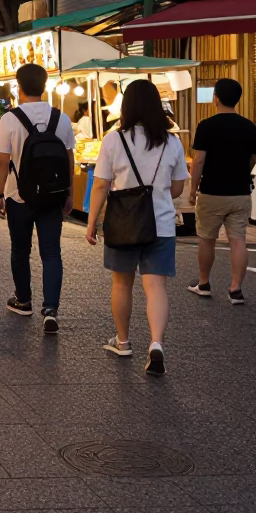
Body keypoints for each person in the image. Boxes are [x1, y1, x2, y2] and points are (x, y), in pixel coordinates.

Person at [85, 79, 188, 376]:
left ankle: (123, 341)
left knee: (122, 283)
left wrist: (92, 222)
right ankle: (156, 343)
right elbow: (178, 188)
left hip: (123, 223)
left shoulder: (114, 140)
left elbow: (102, 184)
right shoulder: (172, 141)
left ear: (126, 106)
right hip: (162, 223)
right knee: (155, 286)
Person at [0, 64, 76, 333]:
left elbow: (2, 161)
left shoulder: (9, 119)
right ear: (45, 85)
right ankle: (50, 308)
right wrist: (69, 194)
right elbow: (69, 159)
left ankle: (24, 300)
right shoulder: (60, 118)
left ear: (18, 86)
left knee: (20, 250)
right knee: (51, 252)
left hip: (19, 197)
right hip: (52, 196)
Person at [188, 78, 256, 304]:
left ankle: (204, 283)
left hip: (212, 192)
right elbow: (252, 160)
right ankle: (236, 288)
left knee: (207, 238)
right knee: (238, 239)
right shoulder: (250, 127)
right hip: (240, 192)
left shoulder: (206, 125)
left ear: (216, 98)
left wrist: (192, 189)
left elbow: (199, 161)